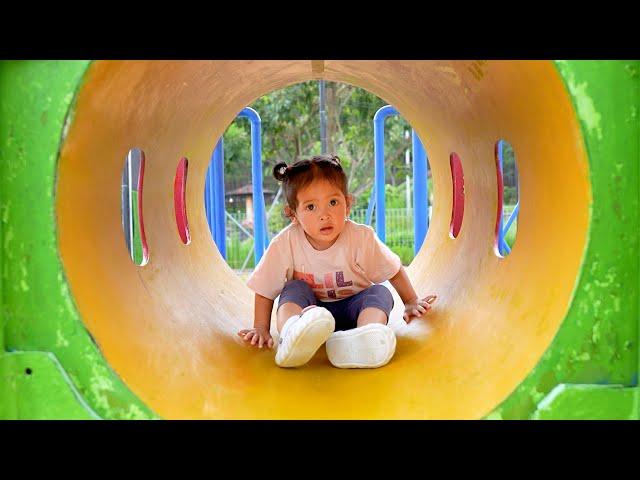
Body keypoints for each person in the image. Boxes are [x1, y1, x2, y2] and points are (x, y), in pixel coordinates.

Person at [237, 154, 436, 368]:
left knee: (380, 293)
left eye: (333, 202)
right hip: (310, 315)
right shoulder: (285, 243)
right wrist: (261, 328)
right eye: (311, 207)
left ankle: (363, 338)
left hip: (354, 308)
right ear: (293, 214)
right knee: (293, 288)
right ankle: (291, 334)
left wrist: (411, 301)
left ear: (347, 204)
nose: (325, 215)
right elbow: (265, 288)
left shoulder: (361, 237)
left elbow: (392, 269)